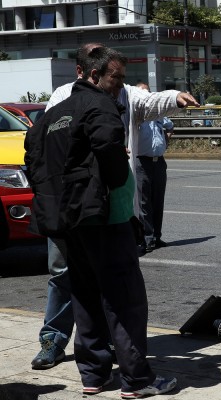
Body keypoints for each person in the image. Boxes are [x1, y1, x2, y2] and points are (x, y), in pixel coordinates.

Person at [31, 42, 198, 371]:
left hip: (111, 211)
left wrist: (175, 96)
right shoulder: (65, 98)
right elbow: (49, 148)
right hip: (74, 208)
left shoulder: (122, 97)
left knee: (101, 284)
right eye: (116, 77)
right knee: (69, 276)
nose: (121, 84)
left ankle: (98, 358)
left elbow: (149, 102)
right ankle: (55, 339)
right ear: (88, 71)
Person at [135, 82, 174, 255]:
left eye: (148, 93)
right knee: (144, 202)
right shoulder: (136, 115)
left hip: (159, 161)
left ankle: (157, 236)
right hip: (142, 161)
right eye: (143, 93)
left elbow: (170, 125)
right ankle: (147, 238)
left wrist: (167, 138)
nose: (147, 96)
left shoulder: (158, 114)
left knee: (158, 200)